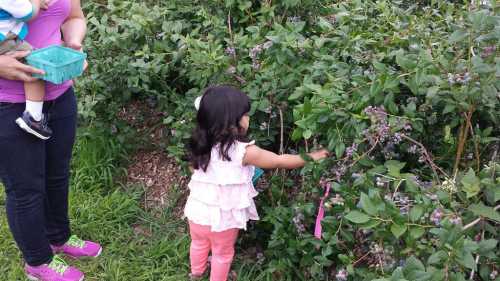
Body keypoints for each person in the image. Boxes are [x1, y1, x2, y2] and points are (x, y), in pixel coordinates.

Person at [185, 85, 329, 281]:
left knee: (198, 243)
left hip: (196, 213)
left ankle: (196, 273)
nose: (248, 118)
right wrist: (314, 156)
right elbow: (280, 160)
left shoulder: (200, 145)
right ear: (230, 123)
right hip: (223, 220)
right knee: (222, 254)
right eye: (244, 115)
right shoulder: (244, 152)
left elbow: (194, 171)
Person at [0, 0, 101, 280]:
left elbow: (73, 17)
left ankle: (59, 237)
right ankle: (38, 261)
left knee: (57, 174)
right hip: (7, 102)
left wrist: (73, 42)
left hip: (59, 94)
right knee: (25, 188)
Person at [0, 0, 52, 139]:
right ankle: (33, 118)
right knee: (35, 66)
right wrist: (35, 3)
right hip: (4, 39)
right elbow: (28, 13)